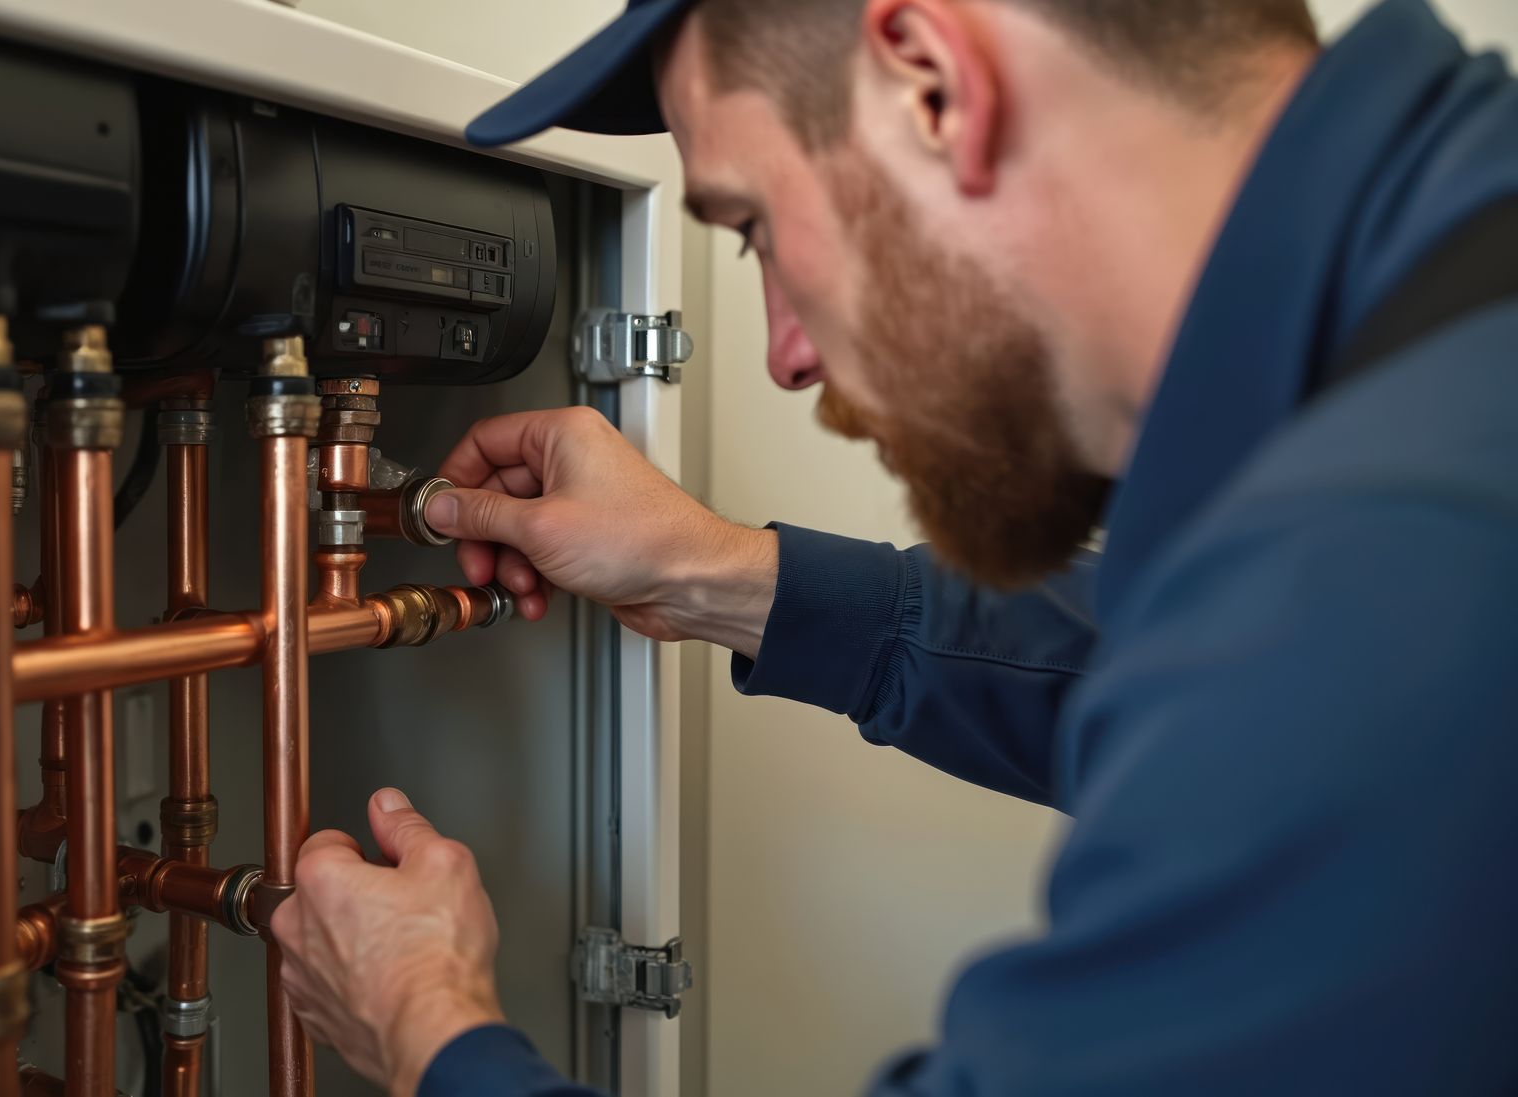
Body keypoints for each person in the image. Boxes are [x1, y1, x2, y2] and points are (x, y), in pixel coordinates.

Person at [270, 0, 1518, 1093]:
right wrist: (724, 578)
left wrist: (427, 1025)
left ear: (933, 85)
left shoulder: (1394, 564)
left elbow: (1288, 686)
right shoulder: (1438, 345)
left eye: (756, 227)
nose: (785, 352)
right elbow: (1174, 679)